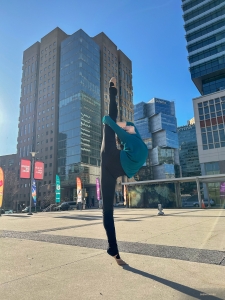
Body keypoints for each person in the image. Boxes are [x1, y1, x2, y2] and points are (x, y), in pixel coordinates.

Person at [101, 77, 148, 265]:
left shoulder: (131, 139)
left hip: (110, 156)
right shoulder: (141, 144)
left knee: (109, 120)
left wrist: (107, 121)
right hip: (116, 171)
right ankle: (115, 252)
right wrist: (116, 124)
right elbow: (127, 127)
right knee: (108, 210)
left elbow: (115, 125)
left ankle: (112, 90)